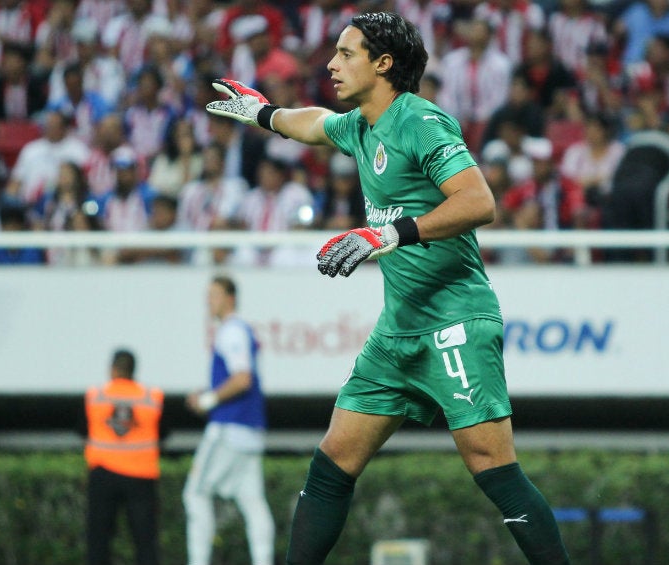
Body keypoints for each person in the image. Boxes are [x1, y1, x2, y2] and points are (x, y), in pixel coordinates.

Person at [205, 11, 570, 565]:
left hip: (455, 321)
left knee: (493, 470)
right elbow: (314, 123)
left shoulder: (421, 121)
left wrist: (390, 234)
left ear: (383, 64)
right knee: (332, 463)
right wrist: (264, 113)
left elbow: (479, 203)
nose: (331, 64)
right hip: (398, 330)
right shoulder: (359, 127)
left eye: (346, 54)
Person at [183, 275, 275, 565]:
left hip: (230, 427)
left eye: (214, 295)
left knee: (195, 494)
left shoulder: (231, 330)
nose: (208, 301)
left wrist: (208, 400)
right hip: (250, 429)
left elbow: (242, 379)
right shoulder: (239, 330)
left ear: (230, 298)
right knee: (253, 503)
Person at [83, 348, 164, 565]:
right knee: (145, 541)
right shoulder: (151, 397)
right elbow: (162, 431)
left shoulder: (96, 396)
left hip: (103, 474)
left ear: (112, 369)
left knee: (98, 540)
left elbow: (83, 428)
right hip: (141, 476)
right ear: (133, 370)